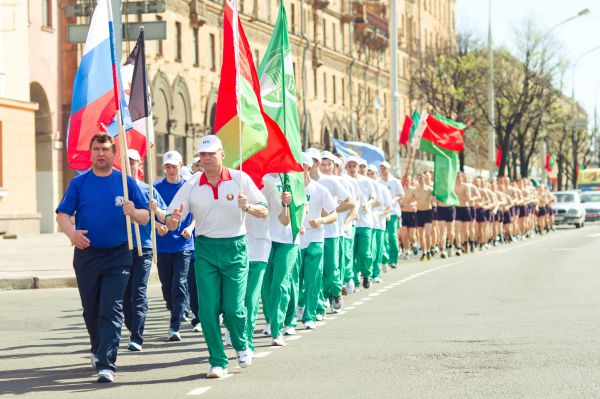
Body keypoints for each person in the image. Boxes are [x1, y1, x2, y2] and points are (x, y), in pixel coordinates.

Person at [165, 135, 268, 379]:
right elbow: (170, 222)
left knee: (233, 309)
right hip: (206, 250)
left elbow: (264, 210)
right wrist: (174, 219)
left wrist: (249, 208)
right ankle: (218, 361)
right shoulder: (191, 184)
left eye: (212, 154)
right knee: (207, 311)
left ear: (222, 154)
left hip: (235, 248)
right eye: (203, 154)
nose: (207, 158)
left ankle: (242, 344)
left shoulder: (239, 179)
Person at [56, 133, 149, 383]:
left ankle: (107, 363)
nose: (100, 153)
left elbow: (145, 217)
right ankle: (97, 348)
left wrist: (134, 211)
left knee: (111, 308)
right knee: (92, 309)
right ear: (91, 152)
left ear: (113, 153)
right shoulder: (80, 183)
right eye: (96, 149)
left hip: (119, 254)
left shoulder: (126, 182)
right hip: (87, 255)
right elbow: (62, 215)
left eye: (105, 149)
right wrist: (72, 233)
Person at [123, 149, 166, 352]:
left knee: (138, 291)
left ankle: (136, 335)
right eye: (126, 161)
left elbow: (164, 215)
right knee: (124, 293)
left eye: (133, 162)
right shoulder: (118, 188)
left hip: (144, 247)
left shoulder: (147, 189)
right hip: (121, 246)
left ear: (140, 165)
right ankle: (132, 326)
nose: (129, 165)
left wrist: (155, 209)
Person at [153, 151, 195, 342]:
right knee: (167, 287)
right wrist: (158, 225)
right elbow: (149, 213)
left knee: (179, 284)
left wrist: (190, 227)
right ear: (164, 168)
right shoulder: (155, 188)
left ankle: (175, 326)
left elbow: (197, 212)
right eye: (167, 167)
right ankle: (175, 309)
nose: (170, 170)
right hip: (163, 245)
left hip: (184, 244)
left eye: (174, 166)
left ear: (180, 166)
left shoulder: (189, 187)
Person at [297, 152, 338, 329]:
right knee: (294, 281)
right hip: (294, 241)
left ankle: (309, 316)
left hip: (315, 238)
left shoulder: (319, 190)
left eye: (299, 167)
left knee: (313, 279)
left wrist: (320, 220)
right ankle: (295, 309)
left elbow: (333, 214)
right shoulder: (289, 191)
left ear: (306, 167)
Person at [260, 174, 298, 346]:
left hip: (288, 241)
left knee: (280, 284)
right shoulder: (263, 180)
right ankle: (270, 320)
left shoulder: (295, 181)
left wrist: (286, 205)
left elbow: (286, 220)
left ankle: (277, 328)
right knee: (266, 286)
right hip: (266, 238)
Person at [346, 156, 377, 289]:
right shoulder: (344, 180)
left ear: (359, 167)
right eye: (350, 166)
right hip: (350, 222)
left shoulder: (367, 181)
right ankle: (354, 281)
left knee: (365, 253)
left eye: (355, 166)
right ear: (347, 167)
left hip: (365, 222)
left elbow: (373, 198)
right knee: (351, 253)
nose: (352, 169)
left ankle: (367, 274)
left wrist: (368, 204)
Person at [379, 161, 404, 269]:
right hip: (382, 212)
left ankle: (393, 260)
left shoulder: (394, 181)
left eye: (384, 168)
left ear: (388, 169)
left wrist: (394, 199)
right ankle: (385, 258)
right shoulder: (378, 181)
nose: (383, 170)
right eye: (381, 168)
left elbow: (401, 194)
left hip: (393, 211)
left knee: (392, 235)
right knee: (383, 236)